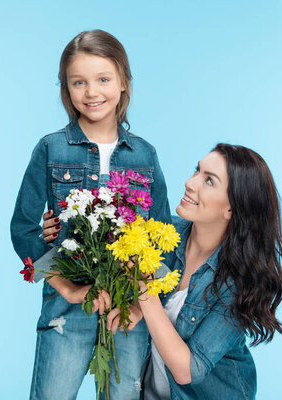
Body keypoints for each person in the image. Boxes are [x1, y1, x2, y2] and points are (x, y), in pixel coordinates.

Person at [43, 143, 282, 399]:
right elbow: (55, 257)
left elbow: (188, 370)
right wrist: (57, 233)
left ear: (232, 208)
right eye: (197, 171)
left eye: (209, 181)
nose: (189, 182)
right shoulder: (163, 233)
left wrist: (145, 291)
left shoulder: (238, 283)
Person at [10, 29, 171, 400]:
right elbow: (23, 227)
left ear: (124, 83)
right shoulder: (50, 148)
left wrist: (139, 307)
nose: (92, 92)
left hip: (126, 311)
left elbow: (163, 237)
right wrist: (67, 287)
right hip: (68, 310)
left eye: (103, 79)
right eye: (78, 82)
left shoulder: (145, 156)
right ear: (66, 89)